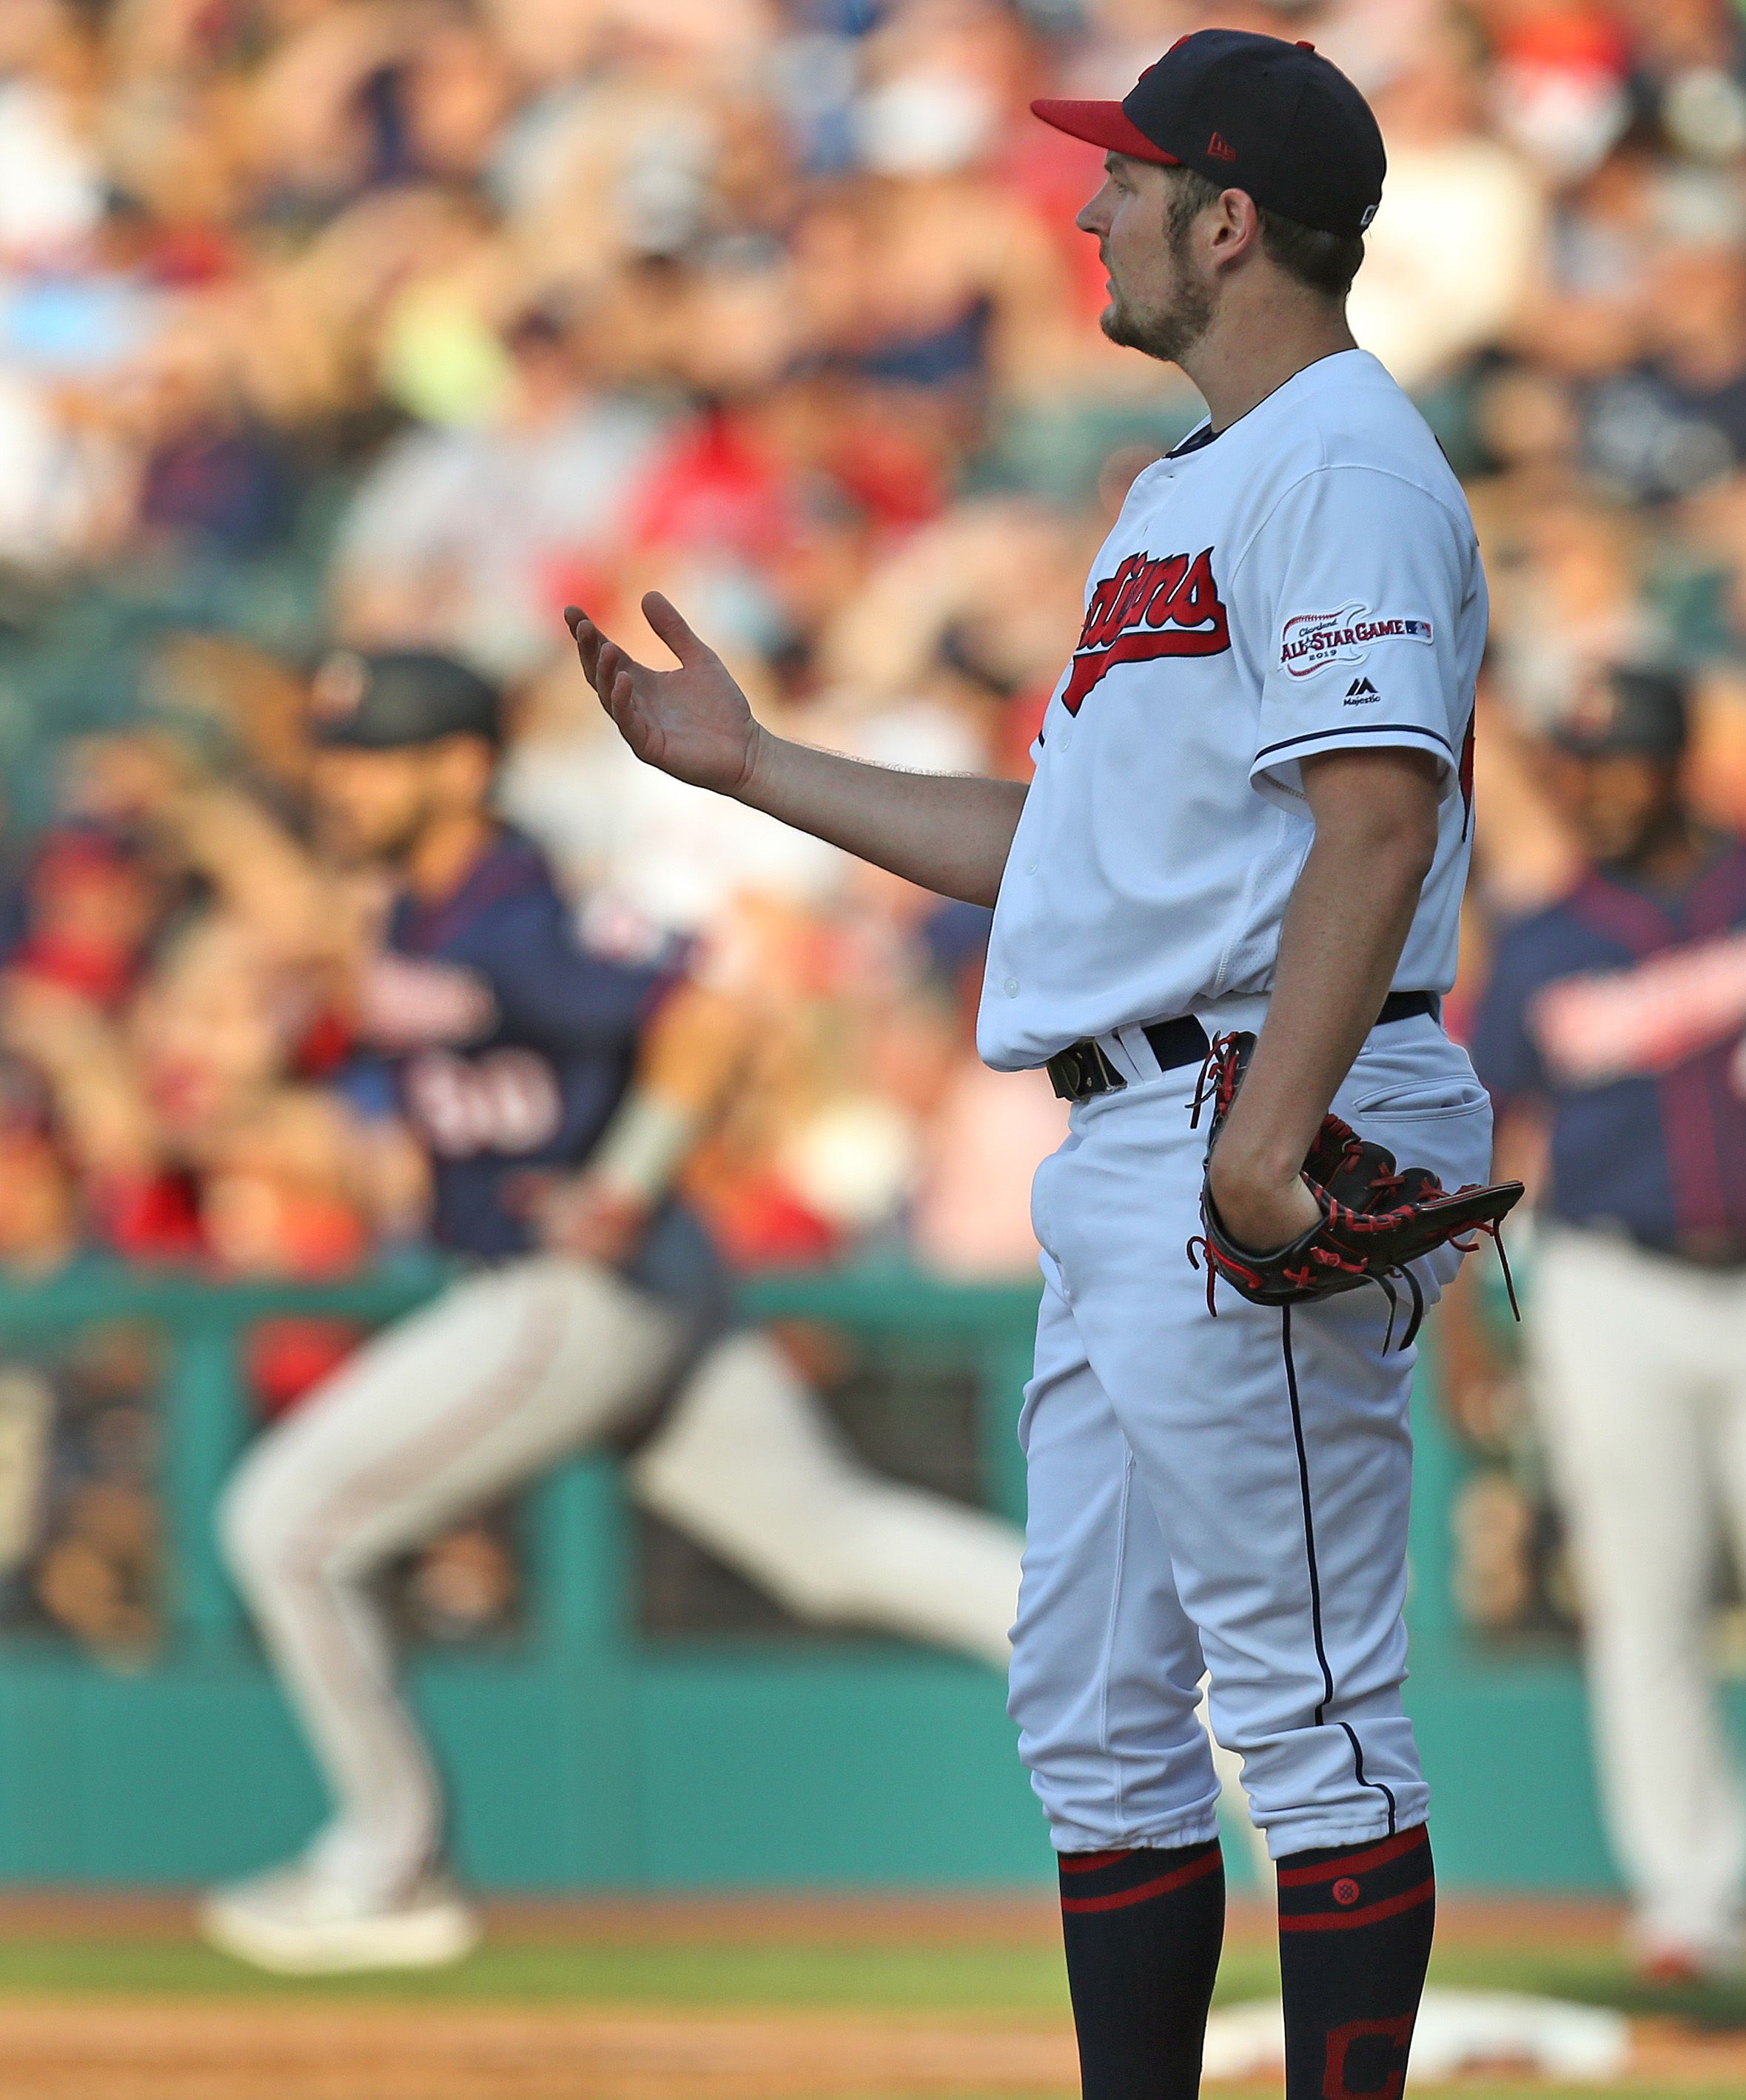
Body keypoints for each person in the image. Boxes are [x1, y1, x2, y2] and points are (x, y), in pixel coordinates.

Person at [566, 31, 1499, 2099]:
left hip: (1255, 1097)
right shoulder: (1189, 480)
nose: (1091, 209)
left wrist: (1265, 1148)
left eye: (1131, 180)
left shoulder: (1339, 453)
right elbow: (1067, 854)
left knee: (1307, 1703)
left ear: (1230, 216)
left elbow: (1376, 814)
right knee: (1090, 1701)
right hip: (1137, 1115)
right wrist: (756, 768)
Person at [201, 650, 1030, 1974]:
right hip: (610, 1281)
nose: (339, 781)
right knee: (831, 1543)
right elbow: (451, 1100)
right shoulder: (419, 912)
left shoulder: (521, 907)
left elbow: (710, 1013)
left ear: (461, 767)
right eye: (334, 753)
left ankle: (388, 1854)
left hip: (579, 1284)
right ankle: (1156, 1659)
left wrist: (631, 1178)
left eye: (370, 756)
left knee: (281, 1521)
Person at [1460, 665, 1746, 1981]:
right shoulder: (1551, 931)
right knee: (1648, 1601)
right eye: (1577, 767)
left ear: (1672, 757)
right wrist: (1469, 1334)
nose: (1594, 786)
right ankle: (1690, 1901)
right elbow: (1482, 1131)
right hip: (1615, 1286)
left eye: (1616, 760)